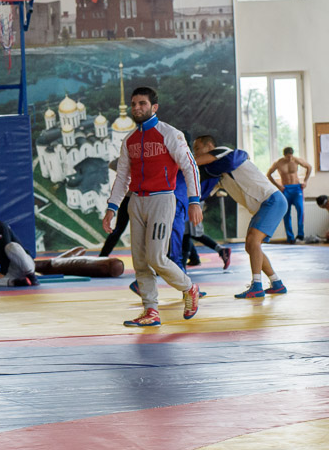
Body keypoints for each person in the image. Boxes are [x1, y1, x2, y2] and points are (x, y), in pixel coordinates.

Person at [102, 87, 201, 327]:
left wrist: (194, 201)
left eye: (142, 104)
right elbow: (122, 176)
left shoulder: (170, 134)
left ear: (154, 107)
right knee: (139, 260)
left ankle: (189, 288)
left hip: (162, 199)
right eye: (134, 103)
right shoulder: (130, 140)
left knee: (156, 257)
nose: (137, 107)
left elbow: (190, 167)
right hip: (136, 201)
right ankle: (151, 311)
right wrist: (112, 208)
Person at [194, 136, 289, 298]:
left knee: (253, 242)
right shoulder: (220, 173)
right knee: (250, 246)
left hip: (272, 200)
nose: (195, 152)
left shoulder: (224, 152)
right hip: (265, 205)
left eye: (197, 148)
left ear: (210, 146)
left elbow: (195, 161)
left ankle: (257, 286)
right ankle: (276, 283)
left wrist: (181, 160)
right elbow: (202, 193)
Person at [266, 147, 312, 243]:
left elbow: (309, 167)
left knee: (300, 210)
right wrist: (278, 186)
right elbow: (269, 174)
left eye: (291, 157)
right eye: (288, 157)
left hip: (297, 188)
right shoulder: (279, 163)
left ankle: (300, 235)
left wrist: (305, 181)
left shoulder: (296, 160)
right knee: (286, 213)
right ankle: (290, 237)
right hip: (285, 189)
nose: (290, 159)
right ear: (284, 155)